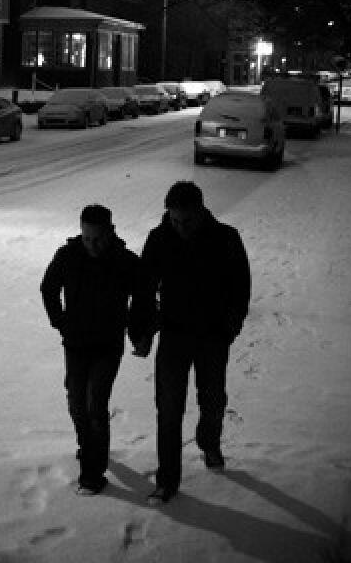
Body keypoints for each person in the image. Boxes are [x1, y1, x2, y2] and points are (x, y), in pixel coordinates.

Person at [140, 181, 251, 506]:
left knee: (213, 400)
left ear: (201, 212)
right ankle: (167, 480)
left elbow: (240, 288)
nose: (180, 227)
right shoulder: (160, 238)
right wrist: (143, 331)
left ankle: (209, 440)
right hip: (174, 334)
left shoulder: (226, 239)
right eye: (174, 220)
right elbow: (145, 287)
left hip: (213, 336)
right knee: (169, 409)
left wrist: (230, 327)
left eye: (186, 221)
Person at [40, 204, 155, 496]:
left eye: (98, 238)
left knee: (95, 404)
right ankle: (87, 447)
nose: (92, 245)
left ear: (110, 232)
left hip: (107, 345)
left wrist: (139, 334)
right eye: (87, 238)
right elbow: (48, 288)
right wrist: (61, 323)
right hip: (76, 344)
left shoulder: (125, 261)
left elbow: (143, 300)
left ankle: (93, 472)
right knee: (76, 404)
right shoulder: (68, 255)